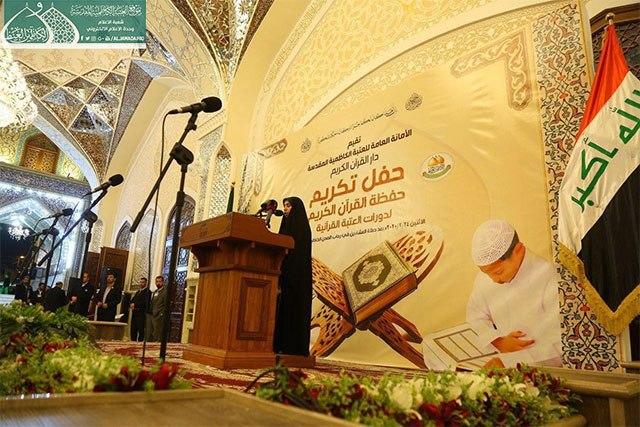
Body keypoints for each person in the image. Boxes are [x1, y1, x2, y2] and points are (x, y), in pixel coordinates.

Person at [466, 219, 562, 368]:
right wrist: (498, 341)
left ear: (519, 250)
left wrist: (508, 363)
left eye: (499, 272)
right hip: (502, 359)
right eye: (487, 274)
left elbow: (559, 344)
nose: (494, 280)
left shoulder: (548, 276)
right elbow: (475, 317)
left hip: (539, 366)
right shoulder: (485, 277)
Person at [273, 196, 312, 356]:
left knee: (294, 310)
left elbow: (299, 255)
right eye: (285, 206)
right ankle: (279, 345)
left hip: (297, 278)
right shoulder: (285, 226)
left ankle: (294, 348)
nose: (285, 209)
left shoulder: (302, 228)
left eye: (288, 206)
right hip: (283, 275)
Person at [146, 276, 167, 342]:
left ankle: (156, 345)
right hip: (151, 314)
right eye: (157, 281)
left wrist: (161, 313)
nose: (158, 283)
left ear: (163, 282)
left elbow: (166, 304)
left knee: (157, 333)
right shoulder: (155, 291)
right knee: (149, 332)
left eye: (160, 281)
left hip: (158, 315)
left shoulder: (165, 292)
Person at [130, 277, 151, 341]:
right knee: (133, 330)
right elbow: (132, 300)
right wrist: (131, 303)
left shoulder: (147, 292)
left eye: (143, 282)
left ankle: (140, 343)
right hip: (135, 313)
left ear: (146, 283)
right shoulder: (138, 291)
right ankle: (133, 342)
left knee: (141, 330)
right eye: (140, 282)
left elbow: (145, 302)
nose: (141, 283)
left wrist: (135, 304)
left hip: (141, 314)